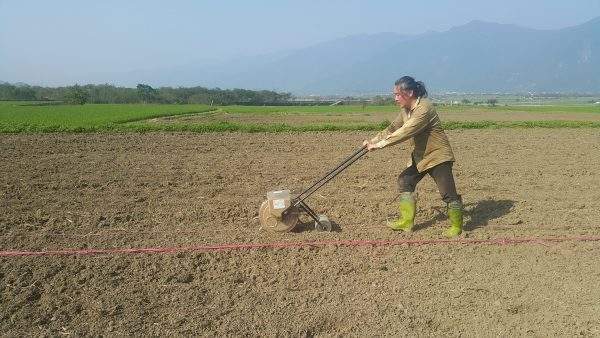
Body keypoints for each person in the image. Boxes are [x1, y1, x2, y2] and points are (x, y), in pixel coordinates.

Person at [363, 76, 463, 238]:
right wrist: (372, 140)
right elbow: (392, 128)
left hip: (438, 156)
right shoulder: (406, 110)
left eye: (397, 94)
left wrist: (380, 145)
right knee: (405, 181)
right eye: (394, 94)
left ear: (409, 93)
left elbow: (406, 131)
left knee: (448, 194)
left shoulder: (424, 108)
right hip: (421, 157)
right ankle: (406, 222)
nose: (395, 98)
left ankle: (456, 227)